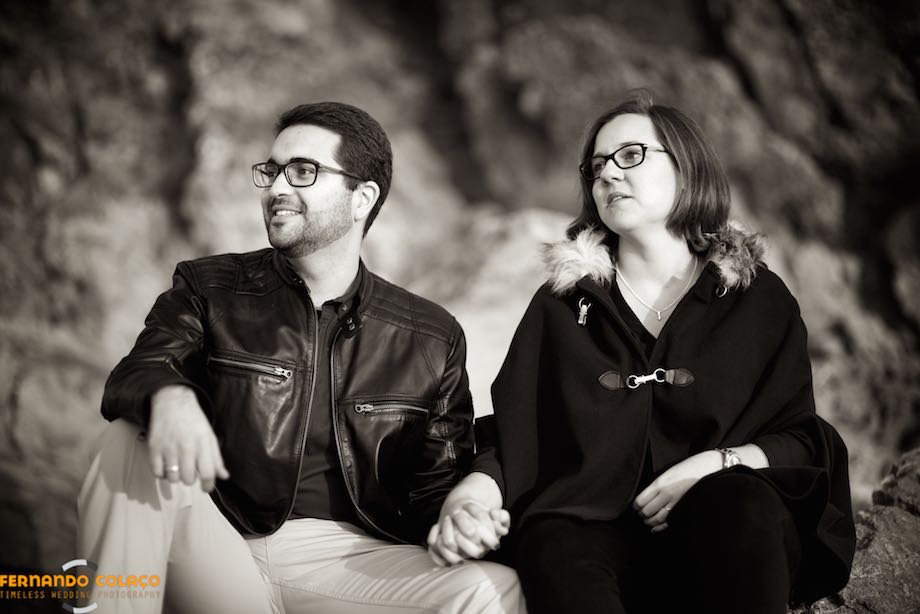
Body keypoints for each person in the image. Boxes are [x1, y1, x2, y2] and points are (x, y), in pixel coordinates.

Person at [77, 101, 524, 614]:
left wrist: (460, 518)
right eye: (271, 171)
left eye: (303, 171)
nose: (277, 188)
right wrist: (170, 396)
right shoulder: (209, 288)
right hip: (218, 539)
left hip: (348, 561)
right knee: (126, 438)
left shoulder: (429, 335)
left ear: (362, 198)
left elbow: (433, 490)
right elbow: (139, 372)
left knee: (495, 589)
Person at [428, 91, 856, 614]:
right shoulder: (564, 305)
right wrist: (470, 497)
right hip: (590, 530)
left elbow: (800, 437)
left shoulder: (756, 299)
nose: (607, 175)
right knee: (554, 540)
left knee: (740, 502)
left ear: (687, 167)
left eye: (630, 155)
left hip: (726, 528)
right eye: (596, 166)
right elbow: (520, 435)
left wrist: (715, 465)